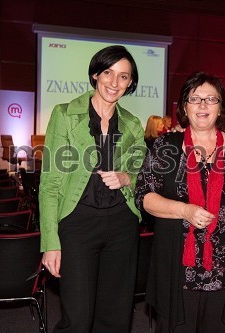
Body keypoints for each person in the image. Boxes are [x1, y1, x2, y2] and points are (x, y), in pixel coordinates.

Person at [39, 45, 146, 333]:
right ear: (95, 74)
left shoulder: (133, 124)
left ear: (130, 83)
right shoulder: (65, 115)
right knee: (78, 316)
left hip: (122, 225)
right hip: (77, 224)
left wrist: (126, 178)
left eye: (124, 77)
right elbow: (49, 183)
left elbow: (144, 174)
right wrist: (50, 241)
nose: (114, 83)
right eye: (108, 73)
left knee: (115, 315)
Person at [135, 72, 225, 333]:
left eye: (211, 99)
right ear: (184, 107)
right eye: (195, 99)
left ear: (221, 107)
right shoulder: (167, 145)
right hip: (179, 264)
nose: (203, 105)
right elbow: (145, 196)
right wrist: (185, 210)